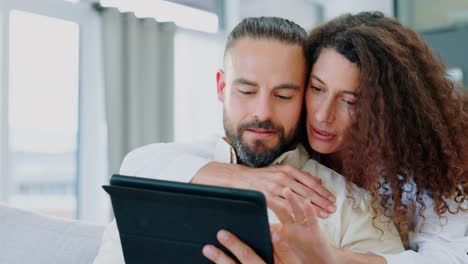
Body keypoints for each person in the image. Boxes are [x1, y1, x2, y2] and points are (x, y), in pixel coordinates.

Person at [93, 16, 404, 264]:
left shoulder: (354, 208)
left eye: (284, 95)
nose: (262, 112)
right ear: (221, 87)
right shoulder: (159, 180)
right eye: (246, 91)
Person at [201, 11, 468, 264]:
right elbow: (164, 156)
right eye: (317, 88)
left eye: (350, 101)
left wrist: (334, 258)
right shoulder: (276, 138)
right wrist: (244, 177)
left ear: (385, 110)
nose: (322, 115)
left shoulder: (427, 169)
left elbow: (448, 256)